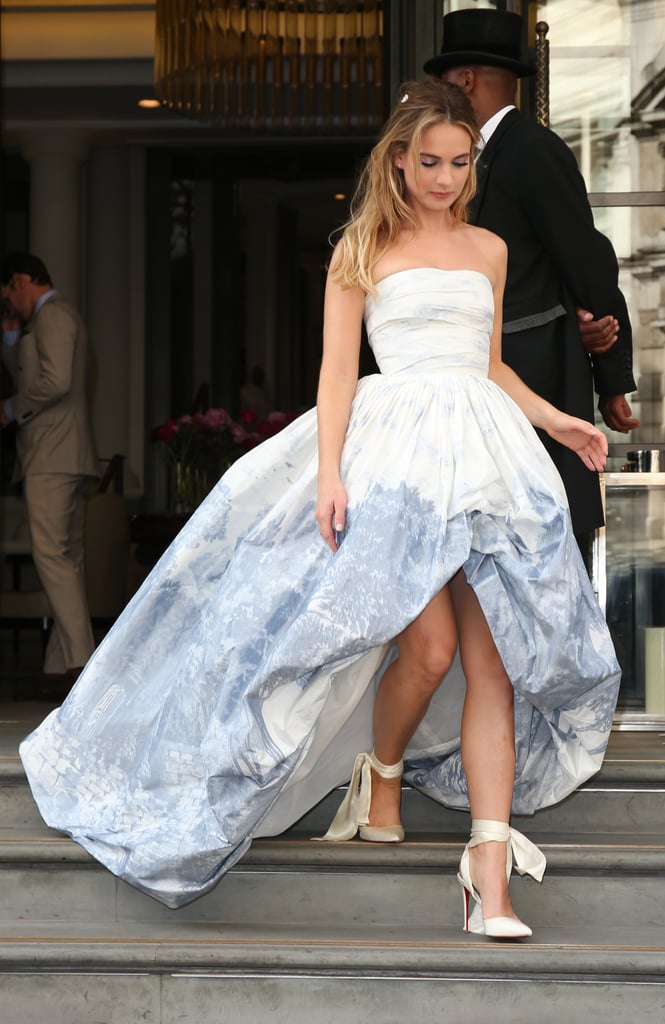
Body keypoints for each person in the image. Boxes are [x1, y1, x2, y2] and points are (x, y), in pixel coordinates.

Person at [19, 82, 620, 939]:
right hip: (398, 466)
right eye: (430, 162)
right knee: (430, 644)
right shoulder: (360, 248)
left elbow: (484, 364)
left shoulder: (488, 249)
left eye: (459, 163)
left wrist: (559, 419)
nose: (444, 178)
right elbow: (338, 373)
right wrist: (330, 473)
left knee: (493, 663)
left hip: (488, 461)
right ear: (399, 159)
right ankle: (378, 773)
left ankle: (489, 873)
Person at [424, 8, 639, 562]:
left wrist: (611, 379)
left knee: (532, 546)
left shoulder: (533, 151)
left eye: (446, 83)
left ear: (465, 79)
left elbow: (588, 261)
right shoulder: (458, 158)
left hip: (529, 383)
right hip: (466, 385)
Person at [1, 253, 99, 685]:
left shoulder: (54, 316)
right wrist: (10, 343)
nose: (9, 305)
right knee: (67, 563)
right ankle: (60, 668)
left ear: (21, 281)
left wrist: (9, 408)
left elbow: (55, 382)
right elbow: (49, 377)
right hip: (66, 453)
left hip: (52, 455)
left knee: (52, 560)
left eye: (8, 294)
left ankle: (82, 667)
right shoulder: (57, 319)